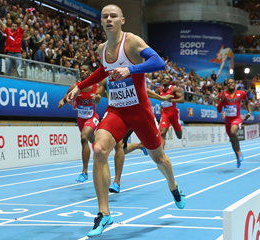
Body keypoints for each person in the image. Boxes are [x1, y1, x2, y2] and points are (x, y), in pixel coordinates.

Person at [67, 4, 185, 238]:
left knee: (159, 158)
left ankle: (174, 186)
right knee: (99, 149)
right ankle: (104, 213)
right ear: (101, 22)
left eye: (113, 16)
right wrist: (79, 86)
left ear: (122, 20)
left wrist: (130, 69)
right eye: (105, 17)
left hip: (140, 112)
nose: (109, 19)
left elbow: (159, 63)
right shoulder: (102, 48)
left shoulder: (131, 42)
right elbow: (103, 70)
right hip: (117, 110)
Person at [92, 77, 173, 193]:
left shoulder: (129, 74)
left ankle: (116, 182)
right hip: (118, 116)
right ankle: (141, 145)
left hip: (135, 115)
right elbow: (96, 97)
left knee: (119, 146)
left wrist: (161, 98)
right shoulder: (106, 80)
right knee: (121, 147)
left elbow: (144, 90)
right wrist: (96, 98)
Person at [217, 79, 252, 168]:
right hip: (228, 120)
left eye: (232, 82)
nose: (230, 84)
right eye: (228, 83)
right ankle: (237, 156)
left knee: (233, 132)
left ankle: (239, 151)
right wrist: (221, 101)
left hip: (237, 118)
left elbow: (247, 102)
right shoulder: (223, 94)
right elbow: (219, 110)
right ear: (226, 85)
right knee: (232, 140)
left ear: (235, 84)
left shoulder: (242, 93)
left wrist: (249, 112)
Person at [0, 11, 28, 77]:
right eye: (13, 26)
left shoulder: (20, 32)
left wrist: (27, 14)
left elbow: (24, 22)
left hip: (18, 55)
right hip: (9, 54)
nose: (14, 27)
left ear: (17, 27)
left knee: (19, 71)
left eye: (15, 26)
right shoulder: (8, 31)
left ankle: (20, 83)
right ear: (10, 27)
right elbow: (1, 23)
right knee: (7, 71)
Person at [157, 74, 185, 149]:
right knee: (162, 133)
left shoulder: (174, 89)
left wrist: (172, 100)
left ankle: (180, 124)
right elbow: (162, 101)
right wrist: (161, 106)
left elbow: (182, 100)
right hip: (165, 113)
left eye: (167, 79)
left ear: (170, 82)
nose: (165, 79)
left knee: (179, 136)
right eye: (164, 78)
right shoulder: (160, 90)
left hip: (174, 114)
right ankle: (161, 154)